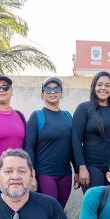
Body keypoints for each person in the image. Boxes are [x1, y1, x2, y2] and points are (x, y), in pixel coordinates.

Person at [24, 77, 76, 208]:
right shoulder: (37, 116)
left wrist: (77, 170)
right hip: (45, 174)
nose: (52, 92)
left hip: (65, 174)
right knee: (50, 210)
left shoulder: (68, 116)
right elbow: (28, 147)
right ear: (42, 94)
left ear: (61, 93)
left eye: (56, 89)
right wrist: (31, 175)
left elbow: (73, 146)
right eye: (48, 89)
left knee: (59, 211)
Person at [72, 71, 110, 191]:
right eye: (99, 84)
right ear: (94, 87)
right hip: (91, 167)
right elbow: (75, 140)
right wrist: (81, 167)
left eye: (107, 85)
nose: (103, 88)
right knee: (97, 205)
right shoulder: (84, 108)